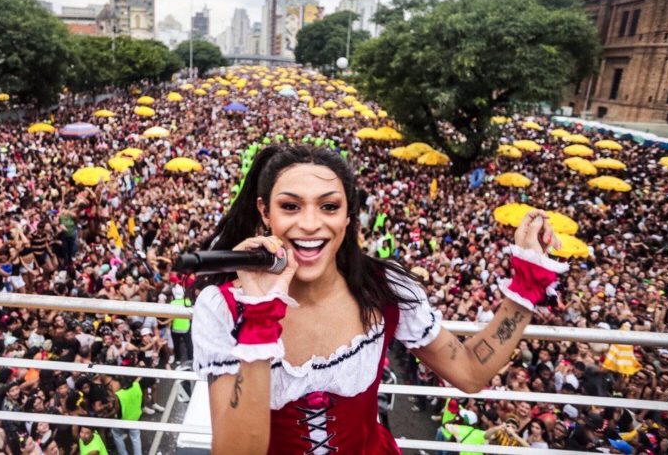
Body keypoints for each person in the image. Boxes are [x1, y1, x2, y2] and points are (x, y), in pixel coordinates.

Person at [192, 145, 565, 454]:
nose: (309, 224)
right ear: (264, 212)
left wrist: (527, 285)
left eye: (329, 207)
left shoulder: (384, 288)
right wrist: (260, 320)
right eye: (290, 206)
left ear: (350, 215)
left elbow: (469, 373)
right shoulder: (222, 309)